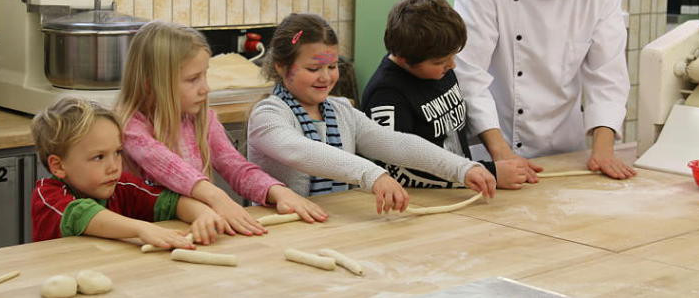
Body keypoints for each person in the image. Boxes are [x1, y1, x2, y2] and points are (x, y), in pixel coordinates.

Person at [453, 0, 636, 180]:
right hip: (496, 151)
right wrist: (501, 154)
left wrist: (603, 149)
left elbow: (607, 73)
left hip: (566, 153)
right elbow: (469, 77)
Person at [247, 13, 496, 215]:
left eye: (332, 66)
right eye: (314, 68)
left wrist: (462, 168)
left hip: (333, 222)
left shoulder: (341, 110)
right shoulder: (268, 116)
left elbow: (395, 143)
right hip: (285, 230)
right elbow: (304, 151)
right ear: (281, 67)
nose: (326, 77)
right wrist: (372, 175)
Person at [117, 21, 327, 238]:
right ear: (151, 85)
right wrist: (217, 199)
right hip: (140, 239)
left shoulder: (202, 119)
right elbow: (171, 168)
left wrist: (278, 191)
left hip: (195, 231)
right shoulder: (131, 128)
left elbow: (235, 166)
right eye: (192, 79)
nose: (205, 88)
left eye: (204, 75)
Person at [361, 0, 528, 189]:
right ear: (405, 59)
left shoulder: (438, 68)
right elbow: (396, 171)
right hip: (421, 203)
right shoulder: (386, 94)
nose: (452, 66)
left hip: (459, 188)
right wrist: (485, 173)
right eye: (440, 61)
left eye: (453, 56)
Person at [31, 97, 225, 246]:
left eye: (117, 152)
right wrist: (141, 228)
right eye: (99, 157)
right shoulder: (47, 195)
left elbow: (170, 203)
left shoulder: (121, 185)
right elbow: (82, 215)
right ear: (58, 166)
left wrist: (203, 215)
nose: (114, 166)